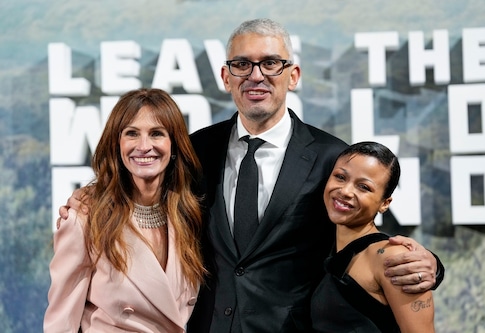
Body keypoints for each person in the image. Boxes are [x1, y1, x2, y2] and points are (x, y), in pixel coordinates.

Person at [58, 19, 444, 333]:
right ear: (226, 78)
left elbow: (371, 235)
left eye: (270, 63)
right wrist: (91, 194)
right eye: (242, 64)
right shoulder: (196, 150)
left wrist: (430, 263)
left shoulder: (331, 157)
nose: (255, 75)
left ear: (292, 75)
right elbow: (141, 176)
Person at [44, 88, 206, 332]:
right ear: (116, 144)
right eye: (132, 134)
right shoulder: (85, 218)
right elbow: (60, 323)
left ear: (173, 145)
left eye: (156, 134)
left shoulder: (190, 214)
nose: (144, 146)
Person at [311, 141, 435, 333]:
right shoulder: (325, 248)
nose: (345, 191)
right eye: (340, 177)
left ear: (385, 203)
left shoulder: (394, 258)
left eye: (363, 187)